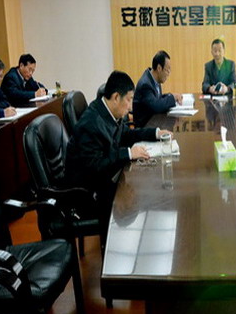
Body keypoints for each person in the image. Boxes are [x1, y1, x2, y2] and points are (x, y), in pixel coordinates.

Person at [65, 71, 172, 238]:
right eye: (129, 100)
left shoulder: (109, 112)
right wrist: (128, 153)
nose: (130, 107)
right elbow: (95, 166)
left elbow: (126, 134)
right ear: (116, 97)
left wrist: (155, 133)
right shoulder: (91, 124)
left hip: (103, 178)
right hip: (86, 193)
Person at [133, 50, 183, 127]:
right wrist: (172, 98)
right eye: (167, 70)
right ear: (159, 68)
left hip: (155, 122)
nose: (168, 74)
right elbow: (156, 106)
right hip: (145, 127)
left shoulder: (154, 79)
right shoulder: (145, 84)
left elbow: (157, 99)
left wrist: (171, 95)